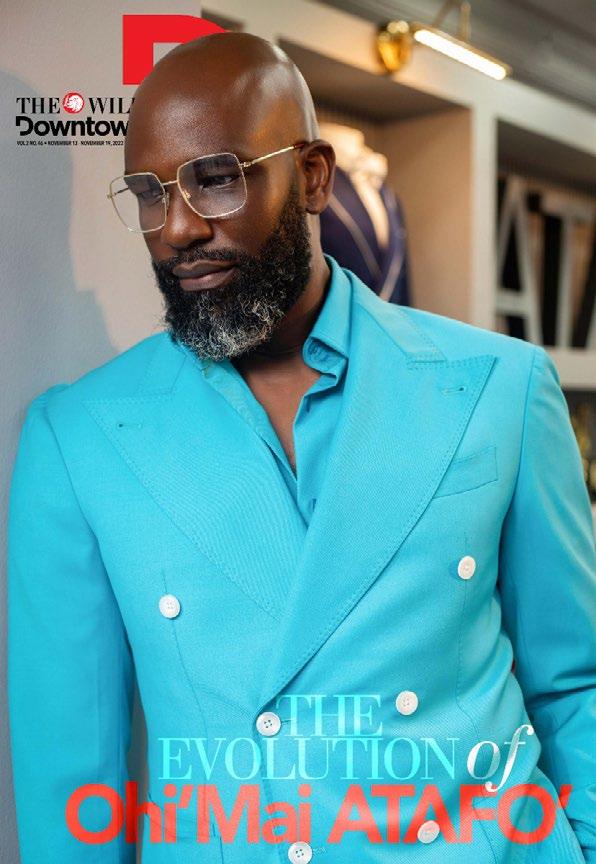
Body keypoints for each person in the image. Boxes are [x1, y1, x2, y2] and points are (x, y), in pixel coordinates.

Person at [7, 31, 596, 864]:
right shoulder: (78, 437)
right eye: (147, 193)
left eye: (216, 178)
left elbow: (574, 685)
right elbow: (69, 773)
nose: (176, 228)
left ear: (313, 177)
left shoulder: (502, 387)